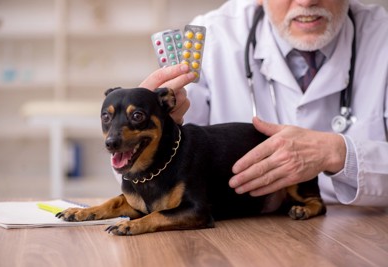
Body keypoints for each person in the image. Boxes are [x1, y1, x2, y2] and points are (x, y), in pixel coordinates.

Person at [139, 0, 388, 206]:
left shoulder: (382, 35)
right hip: (243, 228)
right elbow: (151, 182)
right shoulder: (216, 36)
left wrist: (338, 153)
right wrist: (147, 125)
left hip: (364, 229)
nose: (307, 2)